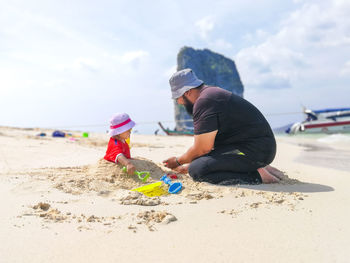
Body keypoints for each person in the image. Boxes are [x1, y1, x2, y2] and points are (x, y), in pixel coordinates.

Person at [163, 68, 284, 184]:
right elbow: (208, 147)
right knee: (196, 163)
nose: (179, 102)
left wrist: (178, 161)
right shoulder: (211, 93)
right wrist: (188, 164)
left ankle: (258, 176)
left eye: (177, 98)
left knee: (197, 170)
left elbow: (202, 148)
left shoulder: (204, 102)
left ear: (187, 92)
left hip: (257, 151)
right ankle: (260, 166)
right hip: (258, 146)